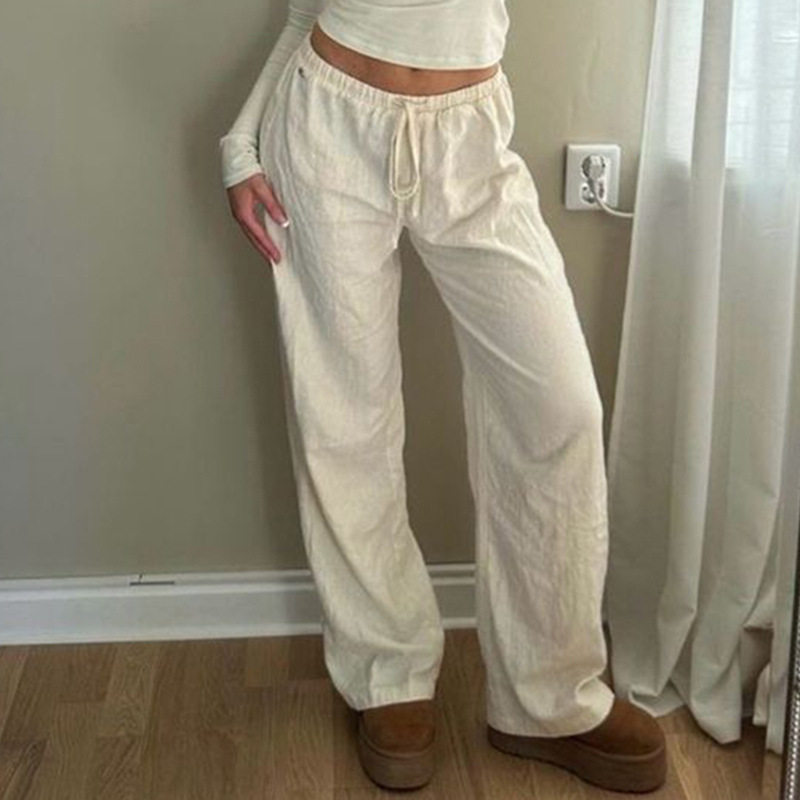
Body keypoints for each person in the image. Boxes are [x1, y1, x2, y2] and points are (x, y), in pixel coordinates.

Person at [219, 0, 667, 793]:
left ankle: (549, 696)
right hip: (326, 125)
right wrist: (239, 143)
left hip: (472, 135)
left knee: (559, 410)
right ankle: (387, 671)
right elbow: (303, 13)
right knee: (344, 418)